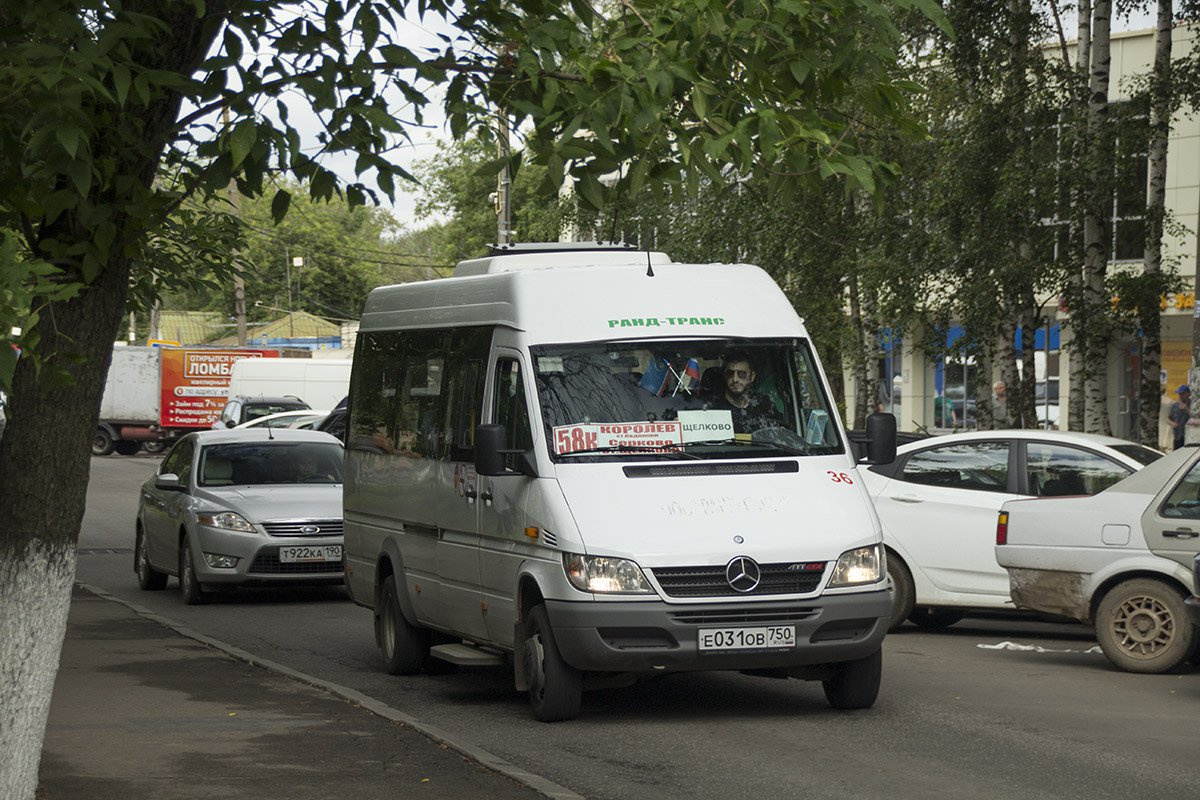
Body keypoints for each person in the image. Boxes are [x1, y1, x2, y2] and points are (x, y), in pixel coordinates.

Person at [709, 351, 785, 433]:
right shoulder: (713, 407)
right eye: (730, 373)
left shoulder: (765, 405)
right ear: (724, 376)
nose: (735, 379)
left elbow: (781, 434)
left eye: (741, 374)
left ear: (752, 377)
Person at [1168, 384, 1191, 450]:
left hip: (1188, 436)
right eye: (1179, 394)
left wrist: (1187, 410)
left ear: (1188, 394)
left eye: (1182, 394)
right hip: (1177, 436)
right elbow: (1169, 418)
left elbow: (1196, 417)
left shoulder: (1193, 405)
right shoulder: (1175, 405)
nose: (1180, 396)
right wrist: (1172, 423)